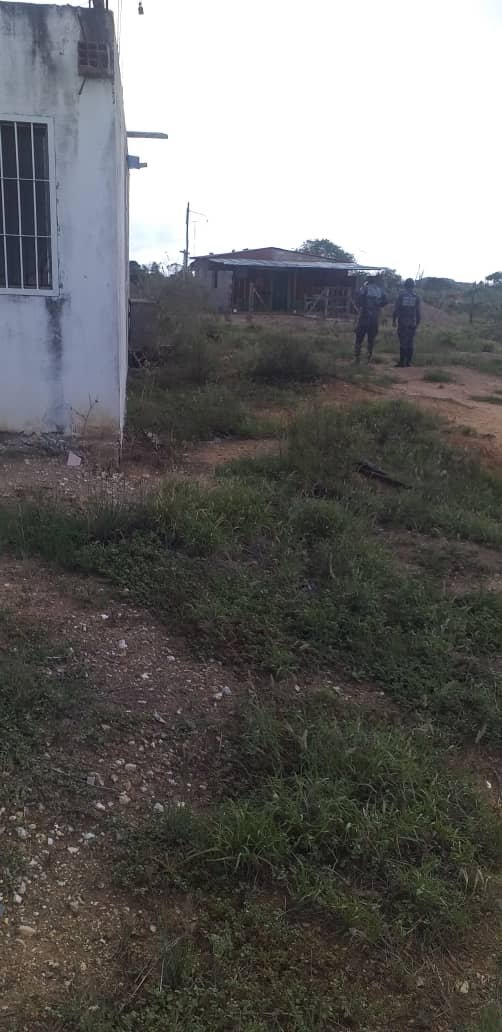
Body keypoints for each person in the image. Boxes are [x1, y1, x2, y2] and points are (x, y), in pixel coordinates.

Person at [354, 275, 388, 363]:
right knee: (371, 340)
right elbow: (385, 301)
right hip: (374, 318)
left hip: (364, 317)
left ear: (368, 281)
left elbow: (359, 301)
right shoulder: (379, 290)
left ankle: (357, 358)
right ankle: (368, 358)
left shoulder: (364, 289)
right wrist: (378, 305)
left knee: (359, 339)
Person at [393, 278, 421, 367]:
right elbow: (418, 312)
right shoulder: (416, 297)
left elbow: (396, 309)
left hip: (402, 322)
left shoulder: (401, 296)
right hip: (412, 323)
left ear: (405, 285)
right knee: (410, 342)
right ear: (413, 286)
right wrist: (417, 323)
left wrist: (394, 320)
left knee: (402, 342)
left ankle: (402, 362)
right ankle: (408, 363)